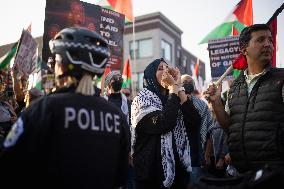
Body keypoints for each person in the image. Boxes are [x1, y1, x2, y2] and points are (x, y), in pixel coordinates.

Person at [0, 27, 129, 188]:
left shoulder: (43, 109)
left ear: (63, 62)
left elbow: (8, 166)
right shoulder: (118, 117)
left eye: (55, 58)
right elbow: (120, 177)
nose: (52, 64)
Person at [205, 24, 284, 173]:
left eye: (270, 40)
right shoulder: (236, 86)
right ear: (243, 49)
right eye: (260, 40)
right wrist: (216, 103)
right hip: (239, 174)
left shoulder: (281, 79)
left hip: (273, 174)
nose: (268, 44)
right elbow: (230, 127)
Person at [131, 58, 193, 189]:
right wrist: (173, 88)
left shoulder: (173, 97)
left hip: (179, 175)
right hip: (151, 176)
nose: (166, 71)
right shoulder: (141, 101)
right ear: (151, 76)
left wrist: (178, 86)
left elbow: (194, 121)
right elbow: (165, 123)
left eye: (167, 67)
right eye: (160, 68)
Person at [181, 74, 215, 184]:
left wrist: (207, 154)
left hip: (195, 154)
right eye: (184, 82)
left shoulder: (202, 105)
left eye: (189, 82)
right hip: (178, 154)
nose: (187, 84)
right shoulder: (173, 103)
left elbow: (209, 131)